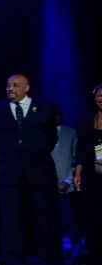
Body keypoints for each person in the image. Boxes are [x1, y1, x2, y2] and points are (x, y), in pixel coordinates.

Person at [0, 74, 63, 265]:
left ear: (27, 88)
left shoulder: (44, 109)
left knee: (46, 219)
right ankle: (14, 261)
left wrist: (31, 151)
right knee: (12, 220)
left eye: (16, 85)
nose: (10, 88)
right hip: (9, 173)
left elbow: (51, 138)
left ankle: (52, 263)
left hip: (39, 172)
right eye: (8, 85)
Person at [74, 84, 102, 265]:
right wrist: (77, 172)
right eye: (99, 95)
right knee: (92, 220)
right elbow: (82, 150)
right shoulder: (86, 121)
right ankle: (93, 262)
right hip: (92, 177)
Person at [52, 106, 82, 254]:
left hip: (67, 186)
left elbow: (77, 159)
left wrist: (68, 180)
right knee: (51, 221)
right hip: (48, 186)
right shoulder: (42, 133)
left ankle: (75, 252)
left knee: (70, 220)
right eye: (53, 114)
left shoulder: (71, 133)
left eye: (58, 114)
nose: (56, 116)